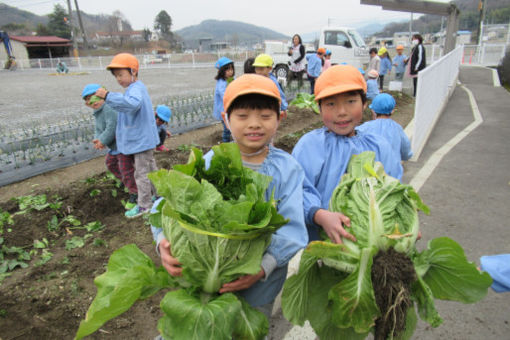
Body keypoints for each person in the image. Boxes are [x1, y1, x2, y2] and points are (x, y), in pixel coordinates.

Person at [151, 74, 308, 335]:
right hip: (201, 279)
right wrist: (162, 243)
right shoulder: (211, 161)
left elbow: (292, 230)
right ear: (226, 118)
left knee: (248, 331)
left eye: (266, 117)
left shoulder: (287, 169)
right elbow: (164, 207)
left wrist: (261, 268)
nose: (254, 125)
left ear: (280, 118)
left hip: (259, 288)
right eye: (243, 116)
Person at [292, 65, 403, 243]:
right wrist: (319, 214)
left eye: (350, 102)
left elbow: (395, 189)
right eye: (330, 104)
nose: (341, 111)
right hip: (323, 245)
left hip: (373, 243)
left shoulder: (379, 146)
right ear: (319, 108)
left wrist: (402, 225)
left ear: (365, 103)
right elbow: (297, 189)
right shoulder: (310, 145)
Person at [95, 53, 159, 218]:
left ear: (134, 72)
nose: (119, 79)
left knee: (141, 173)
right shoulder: (135, 88)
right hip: (143, 140)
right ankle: (158, 196)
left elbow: (132, 105)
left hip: (142, 141)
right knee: (151, 170)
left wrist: (108, 96)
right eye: (116, 76)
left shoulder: (136, 89)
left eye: (121, 75)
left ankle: (145, 205)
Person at [82, 83, 138, 210]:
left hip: (122, 145)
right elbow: (98, 128)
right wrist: (98, 139)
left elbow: (112, 127)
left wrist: (103, 140)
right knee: (111, 164)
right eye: (89, 100)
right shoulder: (98, 112)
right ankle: (130, 184)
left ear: (102, 95)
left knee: (126, 169)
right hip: (114, 147)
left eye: (95, 97)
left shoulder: (108, 108)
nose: (93, 102)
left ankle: (135, 193)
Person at [357, 93, 413, 175]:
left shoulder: (363, 128)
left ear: (373, 110)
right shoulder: (397, 128)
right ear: (393, 110)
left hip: (370, 175)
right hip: (392, 177)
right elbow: (406, 152)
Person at [213, 56, 235, 142]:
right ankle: (225, 143)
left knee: (232, 126)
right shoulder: (221, 83)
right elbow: (225, 95)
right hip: (223, 110)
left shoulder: (231, 79)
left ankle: (231, 141)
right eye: (228, 70)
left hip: (230, 108)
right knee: (227, 128)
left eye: (231, 69)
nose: (231, 72)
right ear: (222, 71)